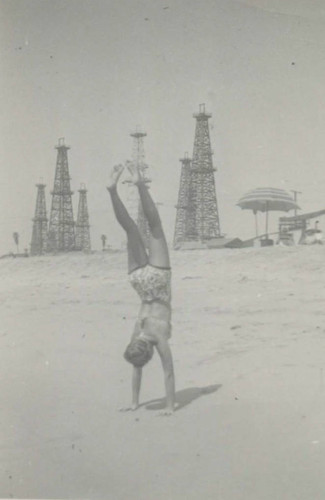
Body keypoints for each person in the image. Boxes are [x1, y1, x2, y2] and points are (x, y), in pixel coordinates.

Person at [107, 162, 176, 415]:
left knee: (155, 227)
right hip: (139, 282)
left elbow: (168, 372)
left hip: (157, 282)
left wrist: (170, 405)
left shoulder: (154, 339)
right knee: (132, 230)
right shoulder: (136, 336)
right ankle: (112, 190)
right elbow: (135, 362)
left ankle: (135, 185)